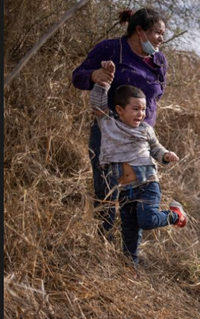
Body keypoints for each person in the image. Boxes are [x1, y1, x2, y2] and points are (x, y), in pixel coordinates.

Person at [72, 8, 168, 235]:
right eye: (157, 33)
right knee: (107, 189)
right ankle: (104, 241)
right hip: (110, 133)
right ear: (139, 31)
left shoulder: (159, 60)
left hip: (140, 139)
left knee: (137, 193)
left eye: (163, 33)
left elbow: (158, 94)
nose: (162, 39)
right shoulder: (111, 49)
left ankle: (129, 253)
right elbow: (78, 76)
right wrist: (95, 75)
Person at [90, 61, 186, 267]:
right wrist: (105, 79)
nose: (141, 114)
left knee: (147, 220)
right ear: (119, 109)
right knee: (130, 231)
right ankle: (130, 267)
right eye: (135, 109)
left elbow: (155, 148)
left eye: (143, 109)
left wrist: (166, 155)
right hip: (125, 189)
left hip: (147, 183)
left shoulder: (145, 130)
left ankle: (174, 215)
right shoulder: (108, 124)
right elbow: (97, 103)